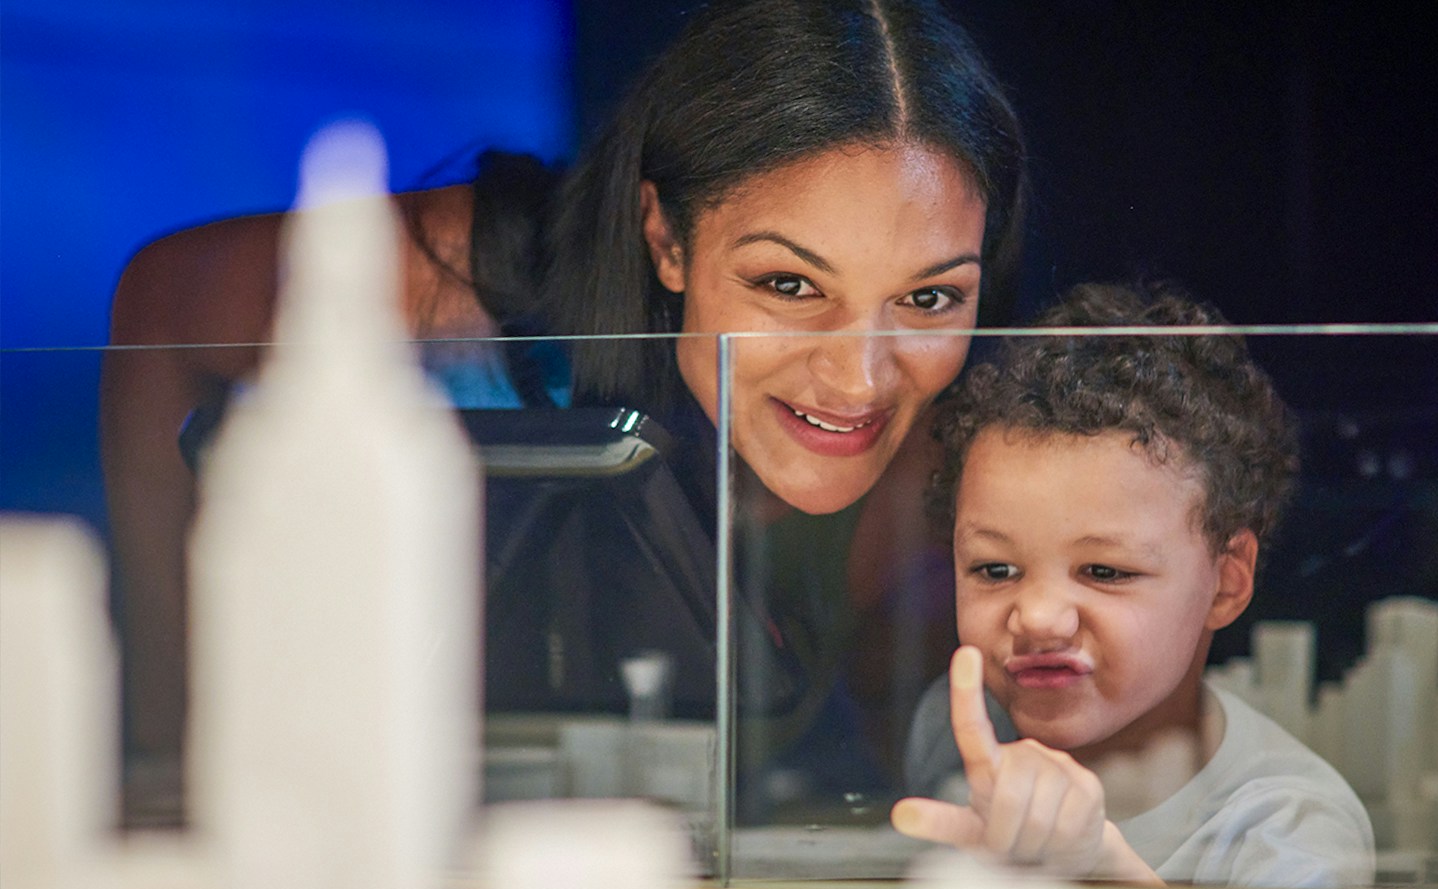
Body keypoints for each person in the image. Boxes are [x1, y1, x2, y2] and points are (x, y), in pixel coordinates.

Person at [103, 0, 1025, 818]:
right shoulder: (483, 280)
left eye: (929, 298)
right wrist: (172, 746)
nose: (861, 379)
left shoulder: (965, 447)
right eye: (789, 283)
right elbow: (163, 303)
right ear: (665, 237)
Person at [890, 284, 1376, 888]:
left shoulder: (1283, 829)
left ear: (1226, 582)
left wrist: (1105, 875)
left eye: (1105, 572)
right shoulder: (952, 730)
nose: (1038, 616)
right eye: (995, 570)